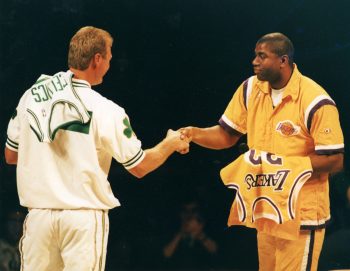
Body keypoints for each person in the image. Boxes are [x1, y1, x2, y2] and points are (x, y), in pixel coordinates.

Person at [4, 26, 189, 271]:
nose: (110, 64)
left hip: (39, 217)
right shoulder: (106, 109)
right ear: (97, 59)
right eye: (110, 58)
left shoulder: (31, 97)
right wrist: (170, 144)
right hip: (82, 218)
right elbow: (139, 166)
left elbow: (11, 155)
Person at [180, 32, 344, 270]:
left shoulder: (315, 100)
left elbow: (335, 160)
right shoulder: (250, 89)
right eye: (255, 55)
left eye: (261, 56)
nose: (254, 61)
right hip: (267, 211)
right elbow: (226, 135)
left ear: (283, 61)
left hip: (302, 215)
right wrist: (194, 133)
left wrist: (285, 167)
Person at [162, 200, 218, 270]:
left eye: (193, 211)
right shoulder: (172, 228)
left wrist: (199, 234)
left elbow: (214, 250)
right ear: (181, 213)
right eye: (185, 211)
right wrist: (181, 232)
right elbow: (166, 254)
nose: (189, 214)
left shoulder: (206, 227)